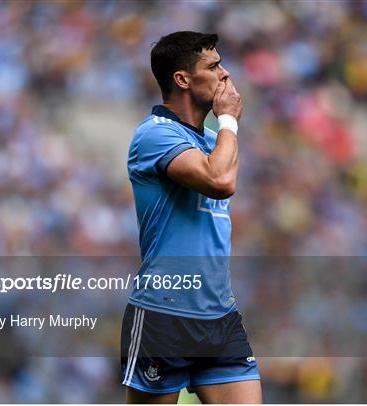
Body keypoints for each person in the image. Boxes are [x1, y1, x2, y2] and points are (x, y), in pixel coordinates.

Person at [121, 31, 261, 403]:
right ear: (182, 79)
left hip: (219, 315)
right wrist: (229, 121)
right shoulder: (155, 135)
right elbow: (220, 181)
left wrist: (224, 129)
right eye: (213, 67)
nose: (226, 74)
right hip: (164, 313)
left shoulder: (213, 140)